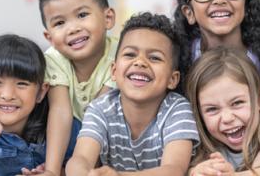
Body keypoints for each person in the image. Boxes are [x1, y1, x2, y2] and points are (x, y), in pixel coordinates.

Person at [66, 12, 200, 176]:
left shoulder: (178, 110)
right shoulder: (100, 109)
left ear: (173, 79)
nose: (140, 62)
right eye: (130, 54)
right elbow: (80, 159)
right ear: (114, 71)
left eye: (155, 58)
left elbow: (173, 170)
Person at [39, 0, 117, 175]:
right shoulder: (54, 58)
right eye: (60, 23)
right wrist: (52, 171)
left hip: (110, 129)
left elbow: (100, 114)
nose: (73, 28)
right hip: (69, 135)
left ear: (108, 18)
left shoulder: (121, 54)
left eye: (82, 15)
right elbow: (60, 112)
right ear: (49, 37)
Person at [186, 47, 260, 175]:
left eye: (237, 103)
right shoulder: (198, 137)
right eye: (212, 109)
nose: (227, 118)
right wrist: (194, 172)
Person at [0, 34, 77, 176]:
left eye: (22, 84)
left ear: (41, 92)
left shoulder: (62, 130)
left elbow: (94, 165)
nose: (7, 95)